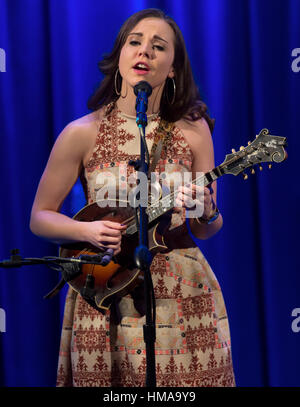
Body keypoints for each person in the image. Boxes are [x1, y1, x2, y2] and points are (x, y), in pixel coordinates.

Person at [30, 8, 235, 387]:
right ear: (120, 55)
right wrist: (88, 232)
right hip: (106, 289)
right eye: (135, 42)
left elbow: (207, 228)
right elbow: (40, 217)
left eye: (159, 47)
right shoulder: (81, 132)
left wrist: (207, 211)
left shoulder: (194, 129)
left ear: (173, 68)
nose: (145, 52)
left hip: (182, 290)